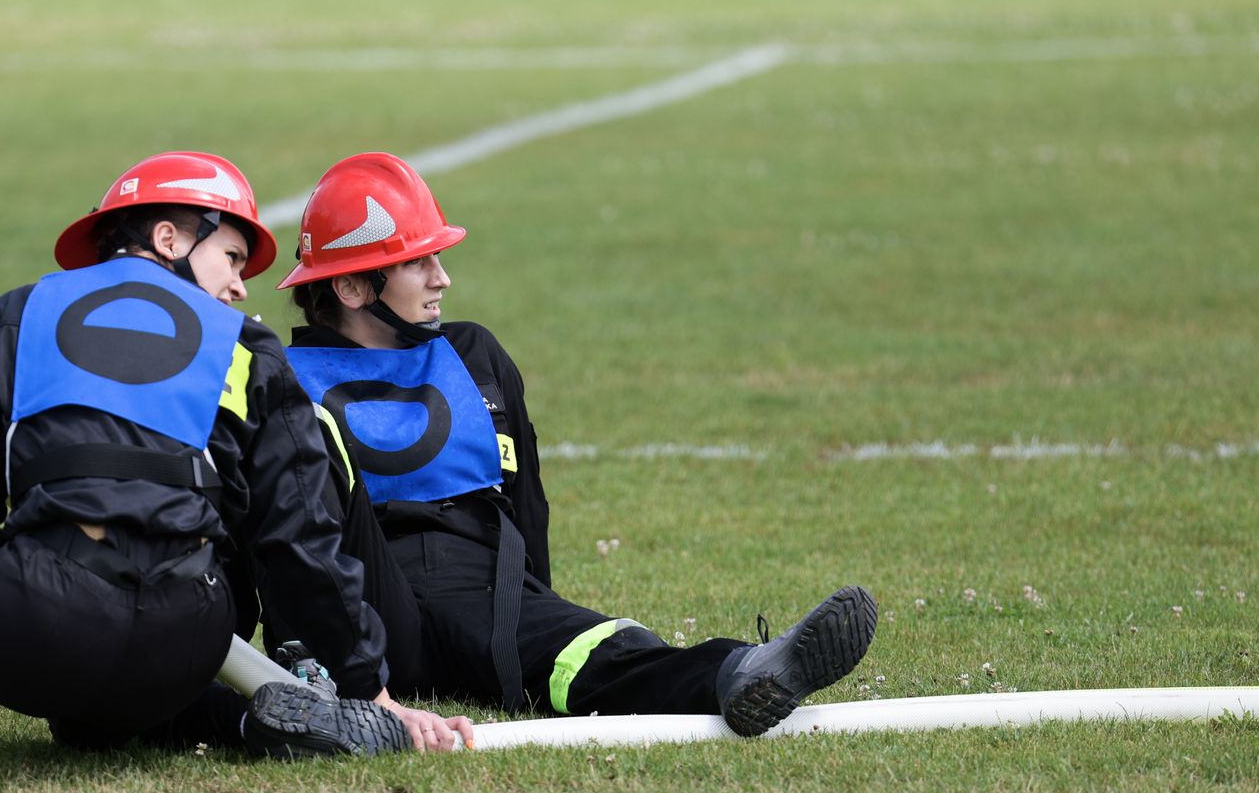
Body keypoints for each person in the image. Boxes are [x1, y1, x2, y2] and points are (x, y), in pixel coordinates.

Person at [0, 150, 465, 783]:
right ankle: (246, 719)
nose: (236, 285)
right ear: (168, 239)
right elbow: (299, 539)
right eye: (232, 256)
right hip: (192, 637)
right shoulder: (250, 346)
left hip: (48, 625)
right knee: (91, 721)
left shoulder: (20, 313)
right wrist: (371, 693)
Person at [275, 152, 878, 733]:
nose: (443, 278)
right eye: (417, 263)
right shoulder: (281, 383)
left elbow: (524, 497)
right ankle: (733, 669)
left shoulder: (472, 351)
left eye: (437, 257)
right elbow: (287, 544)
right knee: (316, 463)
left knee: (577, 644)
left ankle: (740, 671)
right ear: (352, 289)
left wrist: (535, 602)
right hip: (368, 601)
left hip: (480, 582)